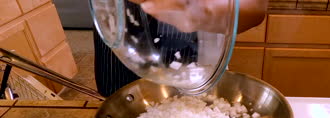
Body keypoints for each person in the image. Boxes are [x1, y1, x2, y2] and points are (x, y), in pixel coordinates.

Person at [94, 0, 267, 97]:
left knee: (202, 109)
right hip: (118, 37)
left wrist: (213, 11)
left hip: (197, 59)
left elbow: (256, 9)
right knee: (119, 105)